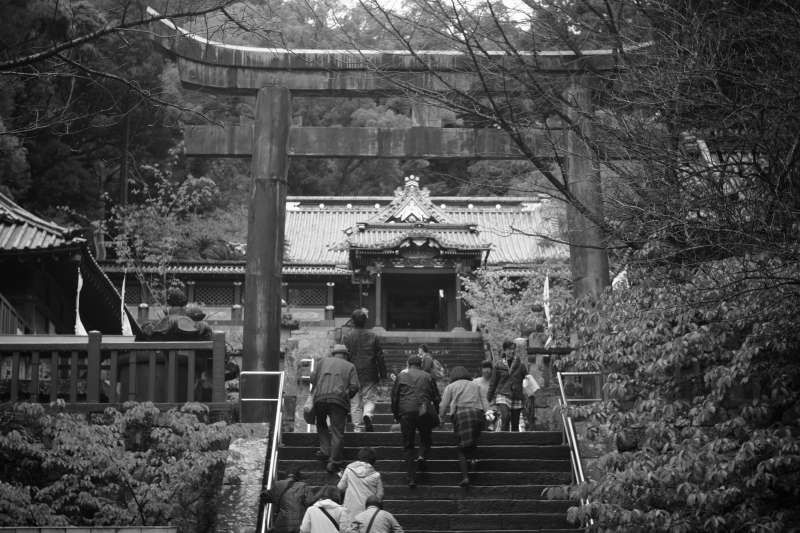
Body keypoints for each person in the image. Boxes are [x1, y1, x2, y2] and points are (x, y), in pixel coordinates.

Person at [390, 354, 440, 488]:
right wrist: (437, 412)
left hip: (406, 412)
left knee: (408, 444)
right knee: (425, 437)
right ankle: (422, 455)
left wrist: (396, 414)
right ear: (421, 364)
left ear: (408, 364)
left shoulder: (401, 376)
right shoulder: (428, 376)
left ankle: (411, 477)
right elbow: (436, 397)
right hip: (423, 410)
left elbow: (394, 397)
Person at [312, 344, 360, 473]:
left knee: (321, 424)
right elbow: (354, 387)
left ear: (333, 354)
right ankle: (334, 461)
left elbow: (312, 378)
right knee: (337, 431)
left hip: (320, 399)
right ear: (345, 355)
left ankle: (324, 450)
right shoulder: (350, 366)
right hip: (338, 401)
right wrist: (347, 395)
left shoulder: (322, 362)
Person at [439, 365, 486, 487]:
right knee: (473, 442)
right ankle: (474, 461)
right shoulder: (475, 385)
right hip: (477, 414)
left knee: (461, 448)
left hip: (461, 415)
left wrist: (441, 418)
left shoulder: (451, 386)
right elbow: (484, 402)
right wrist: (489, 414)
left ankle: (465, 477)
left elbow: (443, 405)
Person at [343, 308, 385, 432]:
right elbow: (379, 356)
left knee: (355, 402)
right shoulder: (373, 336)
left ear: (353, 321)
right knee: (370, 398)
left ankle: (358, 427)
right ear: (365, 321)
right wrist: (383, 374)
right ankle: (367, 415)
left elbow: (344, 355)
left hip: (353, 372)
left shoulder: (347, 337)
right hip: (370, 371)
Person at [488, 340, 528, 432]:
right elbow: (493, 382)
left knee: (515, 423)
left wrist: (527, 395)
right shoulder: (498, 365)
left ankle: (513, 443)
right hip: (502, 393)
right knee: (505, 416)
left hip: (516, 395)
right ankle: (503, 438)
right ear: (505, 351)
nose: (512, 351)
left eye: (513, 349)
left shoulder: (521, 365)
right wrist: (489, 396)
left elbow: (526, 380)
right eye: (509, 349)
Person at [337, 446, 384, 516]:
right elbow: (380, 495)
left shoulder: (349, 470)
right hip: (367, 512)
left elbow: (340, 487)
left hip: (350, 510)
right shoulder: (376, 475)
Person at [472, 361, 496, 430]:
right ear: (481, 370)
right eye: (484, 368)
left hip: (493, 410)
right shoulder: (476, 381)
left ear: (491, 370)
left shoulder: (495, 382)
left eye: (488, 368)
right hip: (480, 410)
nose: (486, 370)